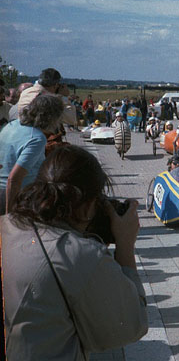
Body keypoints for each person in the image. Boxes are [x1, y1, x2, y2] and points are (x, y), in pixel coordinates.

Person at [2, 145, 148, 359]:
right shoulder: (80, 255)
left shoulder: (7, 224)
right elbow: (131, 326)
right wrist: (125, 246)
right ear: (89, 206)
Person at [0, 94, 64, 215]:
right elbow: (14, 178)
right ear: (52, 117)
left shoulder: (11, 125)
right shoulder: (36, 138)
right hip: (14, 196)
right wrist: (10, 216)